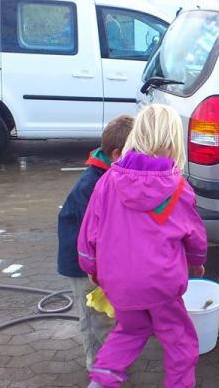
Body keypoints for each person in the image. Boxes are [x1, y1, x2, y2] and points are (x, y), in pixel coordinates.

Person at [78, 104, 208, 388]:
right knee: (180, 342)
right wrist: (197, 261)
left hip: (119, 284)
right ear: (175, 140)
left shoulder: (108, 180)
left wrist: (91, 267)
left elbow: (89, 232)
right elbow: (195, 235)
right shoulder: (179, 188)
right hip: (161, 284)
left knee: (128, 332)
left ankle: (101, 381)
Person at [57, 114, 133, 370]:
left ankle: (112, 360)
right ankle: (99, 367)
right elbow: (95, 236)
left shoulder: (110, 176)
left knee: (108, 315)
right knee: (94, 318)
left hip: (100, 261)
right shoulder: (90, 187)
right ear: (116, 154)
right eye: (134, 153)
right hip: (83, 265)